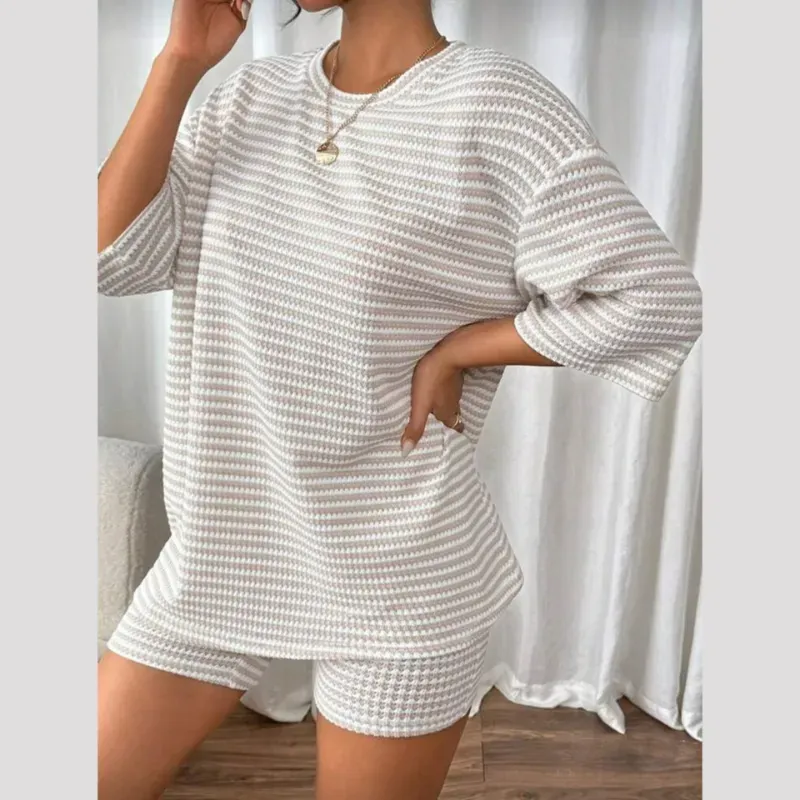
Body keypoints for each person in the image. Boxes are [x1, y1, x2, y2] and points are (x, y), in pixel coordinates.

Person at [96, 0, 703, 797]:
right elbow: (108, 259)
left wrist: (465, 347)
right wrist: (178, 64)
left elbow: (655, 300)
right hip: (223, 550)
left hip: (400, 573)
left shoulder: (497, 105)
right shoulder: (246, 99)